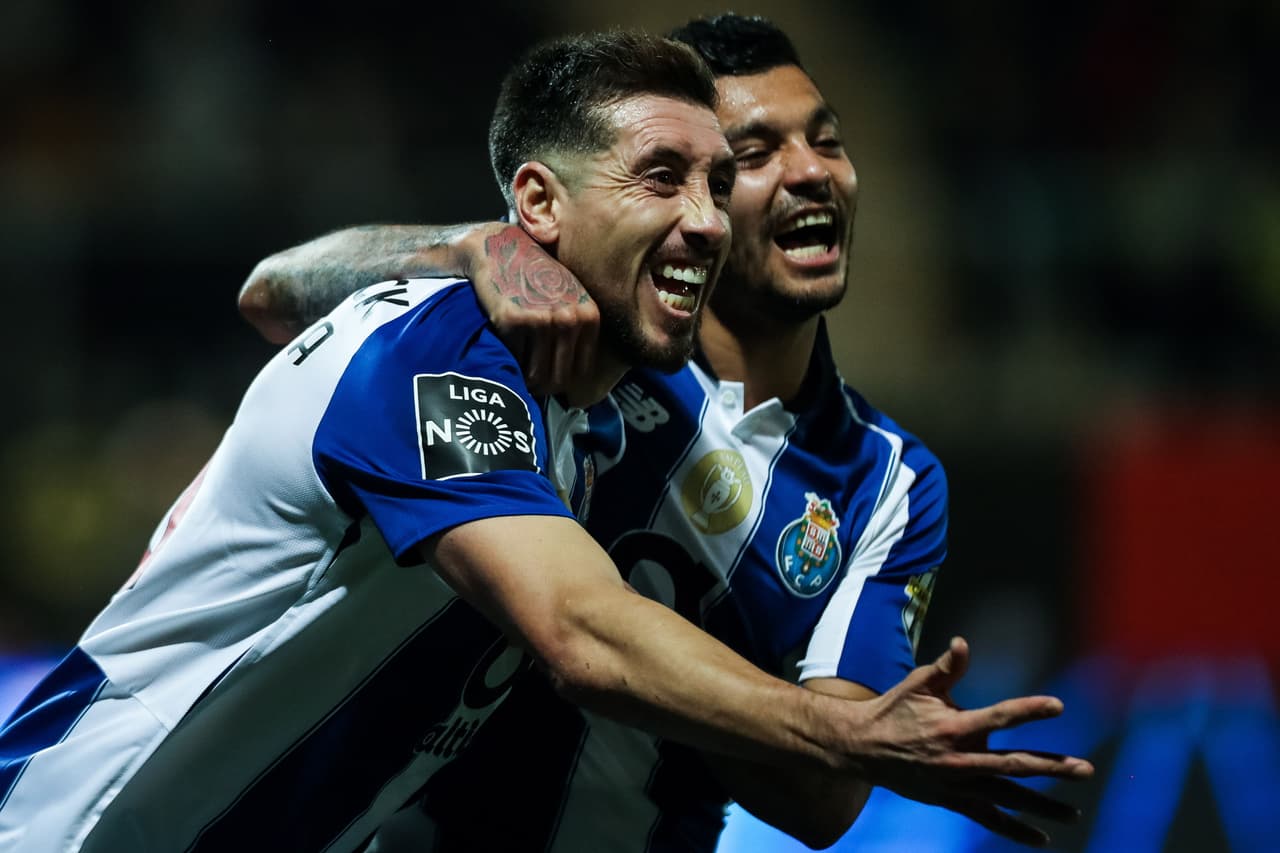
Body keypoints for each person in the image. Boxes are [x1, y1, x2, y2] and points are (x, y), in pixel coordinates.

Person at [0, 29, 969, 853]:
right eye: (710, 165)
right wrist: (478, 240)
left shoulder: (858, 470)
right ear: (542, 201)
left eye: (720, 178)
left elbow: (816, 800)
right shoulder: (449, 351)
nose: (707, 215)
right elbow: (576, 629)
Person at [238, 14, 1091, 852]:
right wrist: (470, 247)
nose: (811, 173)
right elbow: (274, 291)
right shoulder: (569, 322)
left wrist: (656, 628)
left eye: (827, 142)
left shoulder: (888, 479)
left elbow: (823, 795)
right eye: (753, 157)